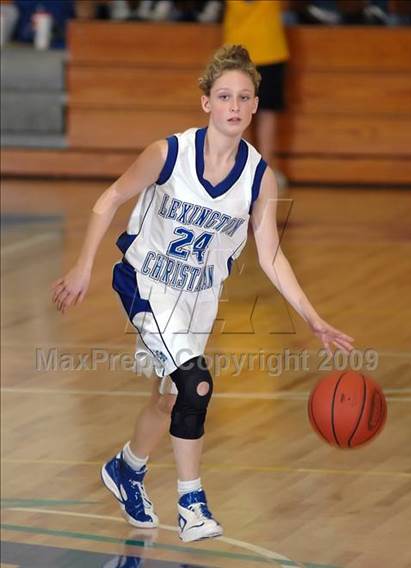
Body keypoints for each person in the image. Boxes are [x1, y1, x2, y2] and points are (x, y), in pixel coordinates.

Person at [51, 45, 354, 543]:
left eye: (244, 97)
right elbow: (110, 199)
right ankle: (191, 503)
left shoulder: (259, 178)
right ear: (206, 103)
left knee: (169, 397)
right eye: (224, 96)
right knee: (196, 384)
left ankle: (127, 468)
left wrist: (312, 316)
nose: (234, 106)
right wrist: (83, 265)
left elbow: (271, 255)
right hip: (145, 282)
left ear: (256, 105)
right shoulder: (169, 153)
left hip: (198, 298)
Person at [223, 1, 289, 189]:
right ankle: (245, 169)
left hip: (265, 49)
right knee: (240, 112)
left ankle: (262, 170)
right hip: (247, 50)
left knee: (256, 111)